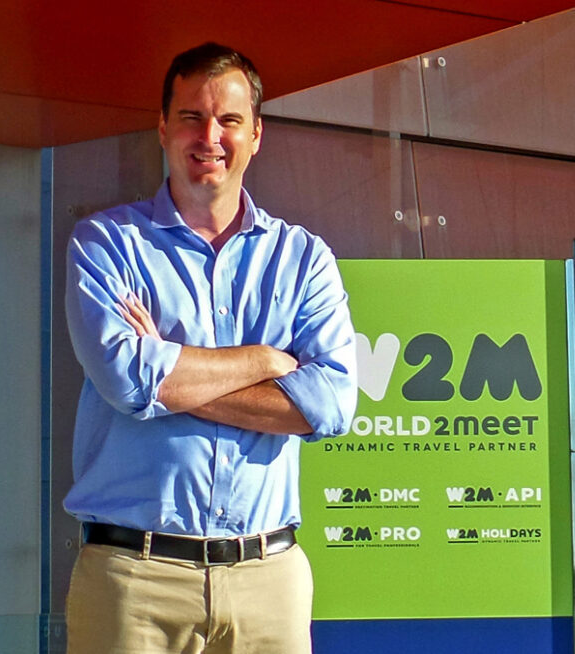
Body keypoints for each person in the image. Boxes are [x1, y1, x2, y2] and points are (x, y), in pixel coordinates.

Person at [62, 42, 356, 654]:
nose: (210, 136)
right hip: (134, 580)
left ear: (256, 135)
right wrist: (265, 362)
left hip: (267, 580)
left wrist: (167, 369)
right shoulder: (106, 244)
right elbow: (126, 379)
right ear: (163, 127)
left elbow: (329, 405)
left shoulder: (303, 259)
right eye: (192, 116)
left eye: (229, 120)